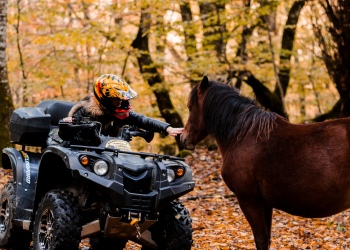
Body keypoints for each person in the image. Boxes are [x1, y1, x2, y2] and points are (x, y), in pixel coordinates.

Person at [62, 74, 183, 138]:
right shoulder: (85, 111)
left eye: (121, 97)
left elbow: (142, 120)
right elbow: (67, 136)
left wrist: (167, 129)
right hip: (87, 153)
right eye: (116, 98)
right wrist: (68, 125)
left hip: (113, 153)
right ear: (105, 98)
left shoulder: (118, 111)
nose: (120, 101)